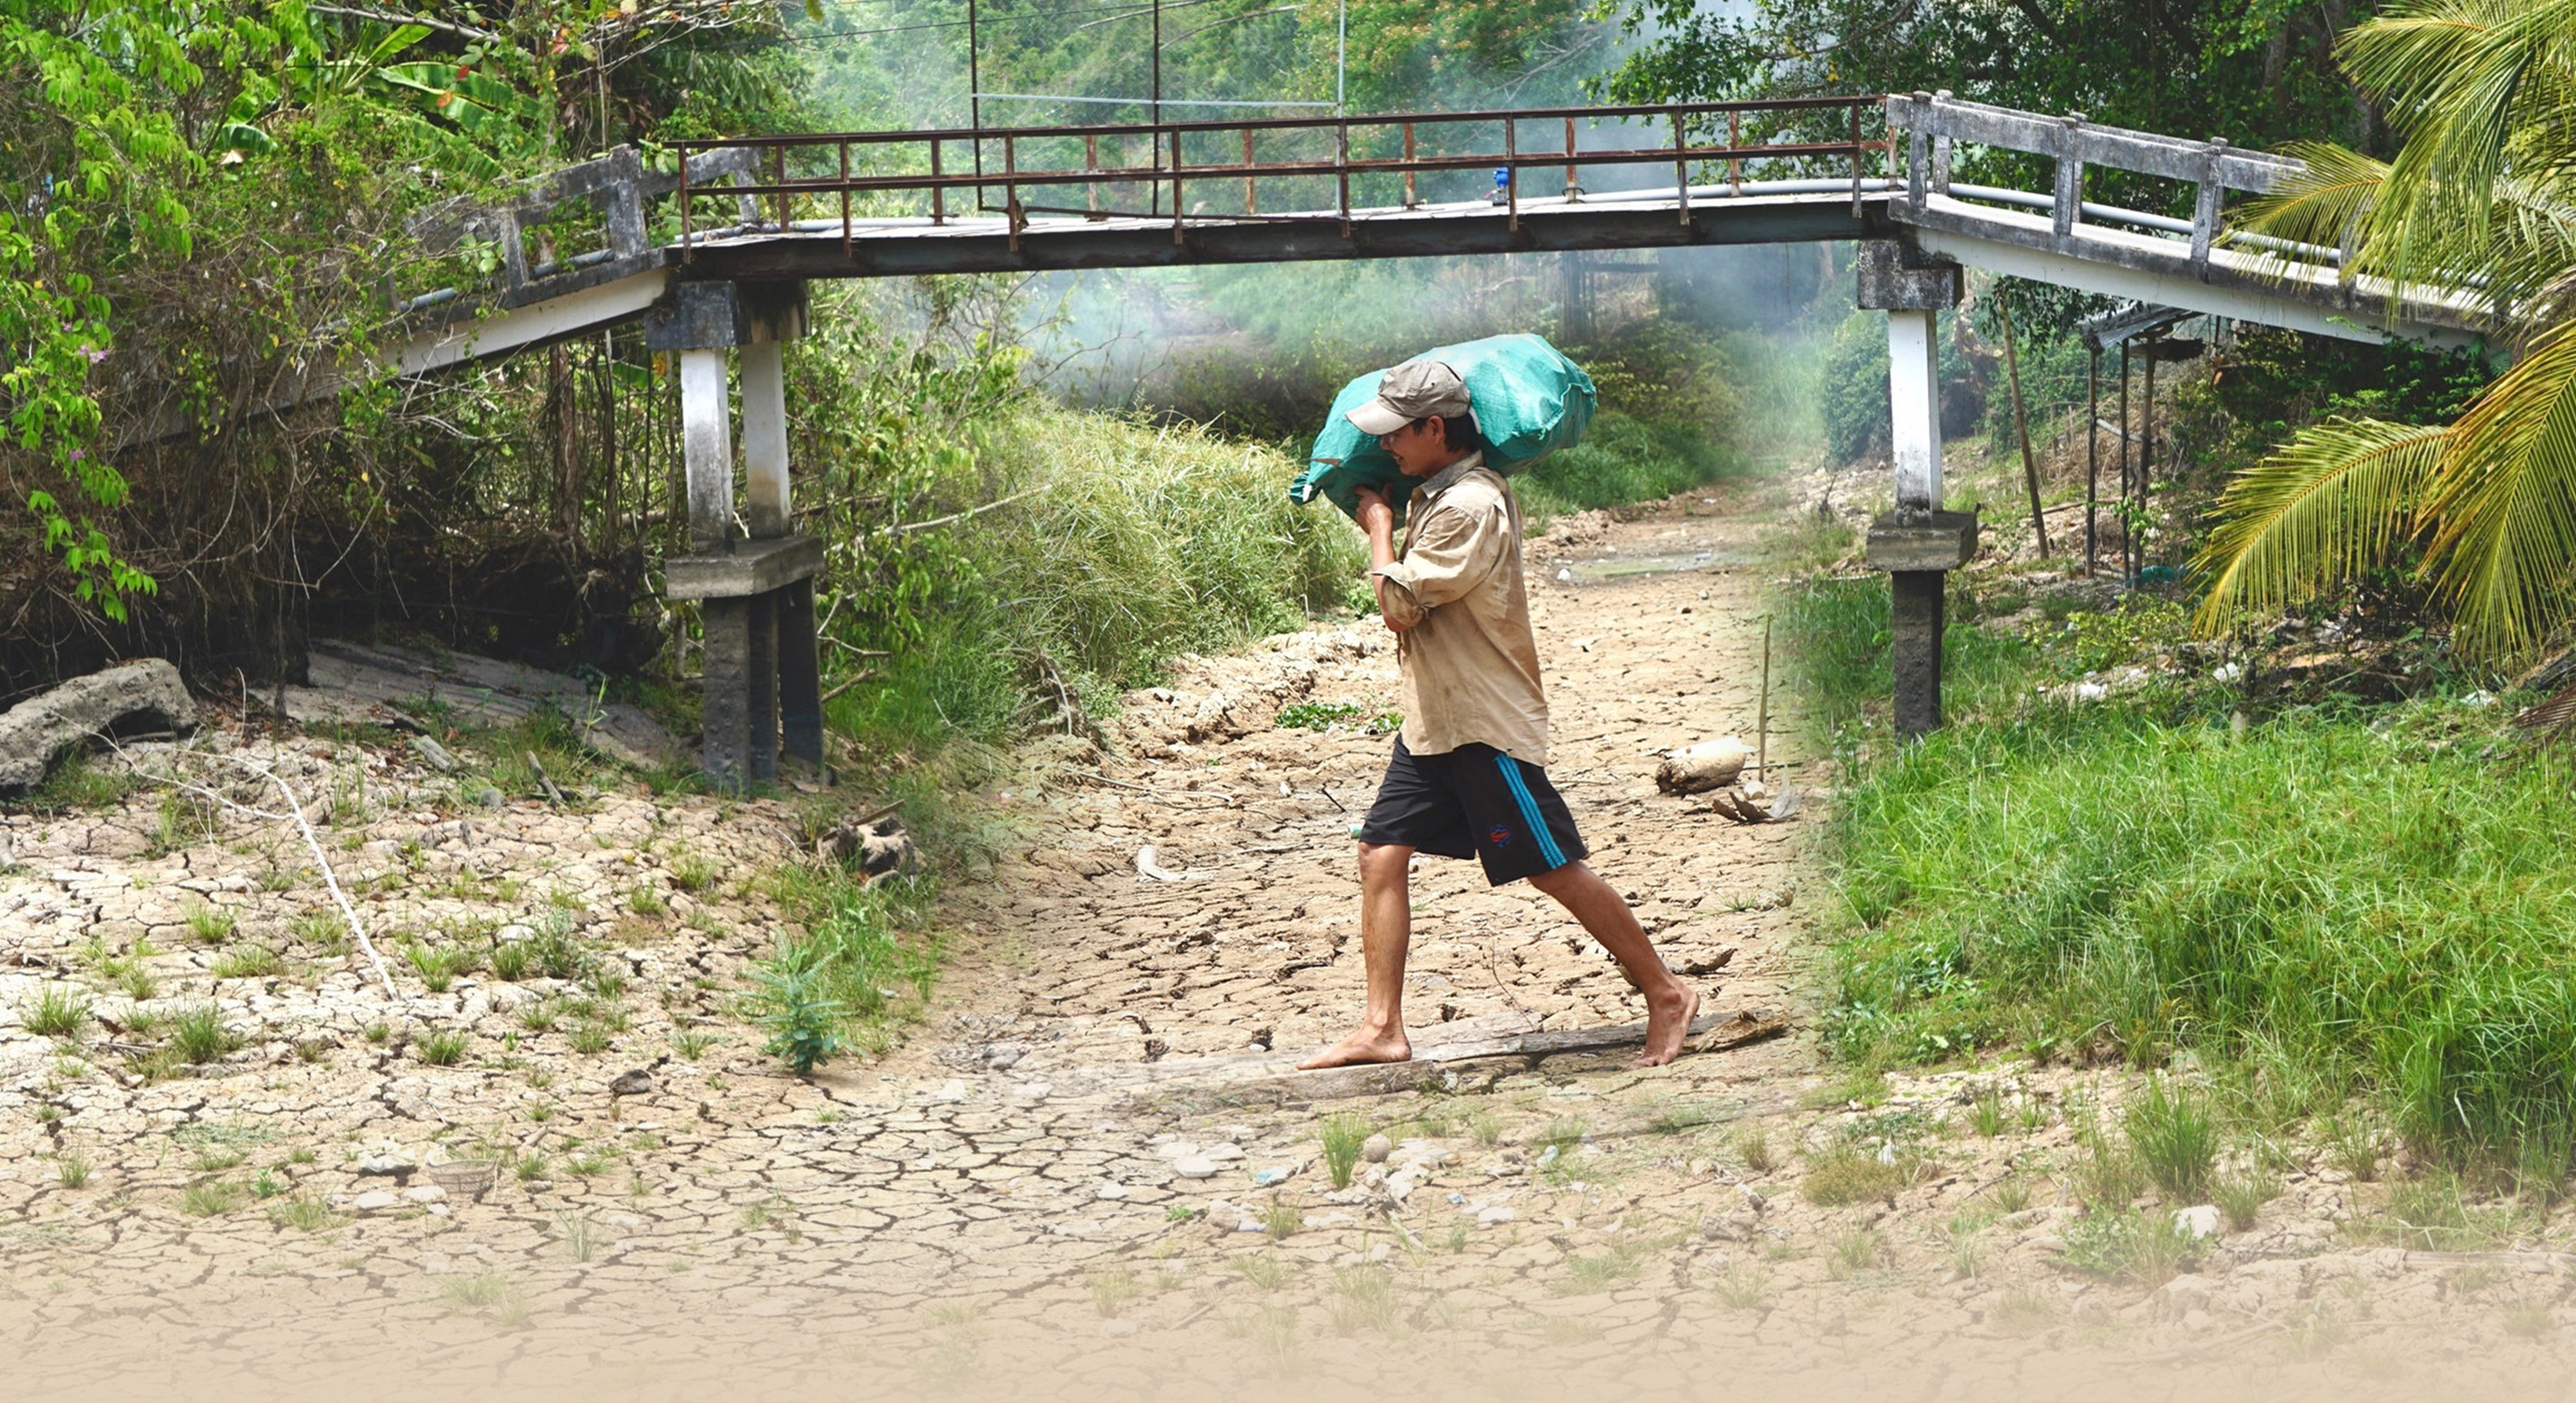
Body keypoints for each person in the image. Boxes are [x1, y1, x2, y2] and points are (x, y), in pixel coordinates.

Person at [1300, 359, 1701, 1070]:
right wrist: (1396, 505)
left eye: (1397, 432)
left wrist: (1378, 526)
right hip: (1432, 722)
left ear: (1434, 428)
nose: (1387, 444)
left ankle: (1667, 991)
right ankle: (1383, 1027)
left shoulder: (1467, 507)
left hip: (1482, 725)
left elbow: (1397, 606)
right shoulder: (1440, 493)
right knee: (1379, 852)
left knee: (1553, 867)